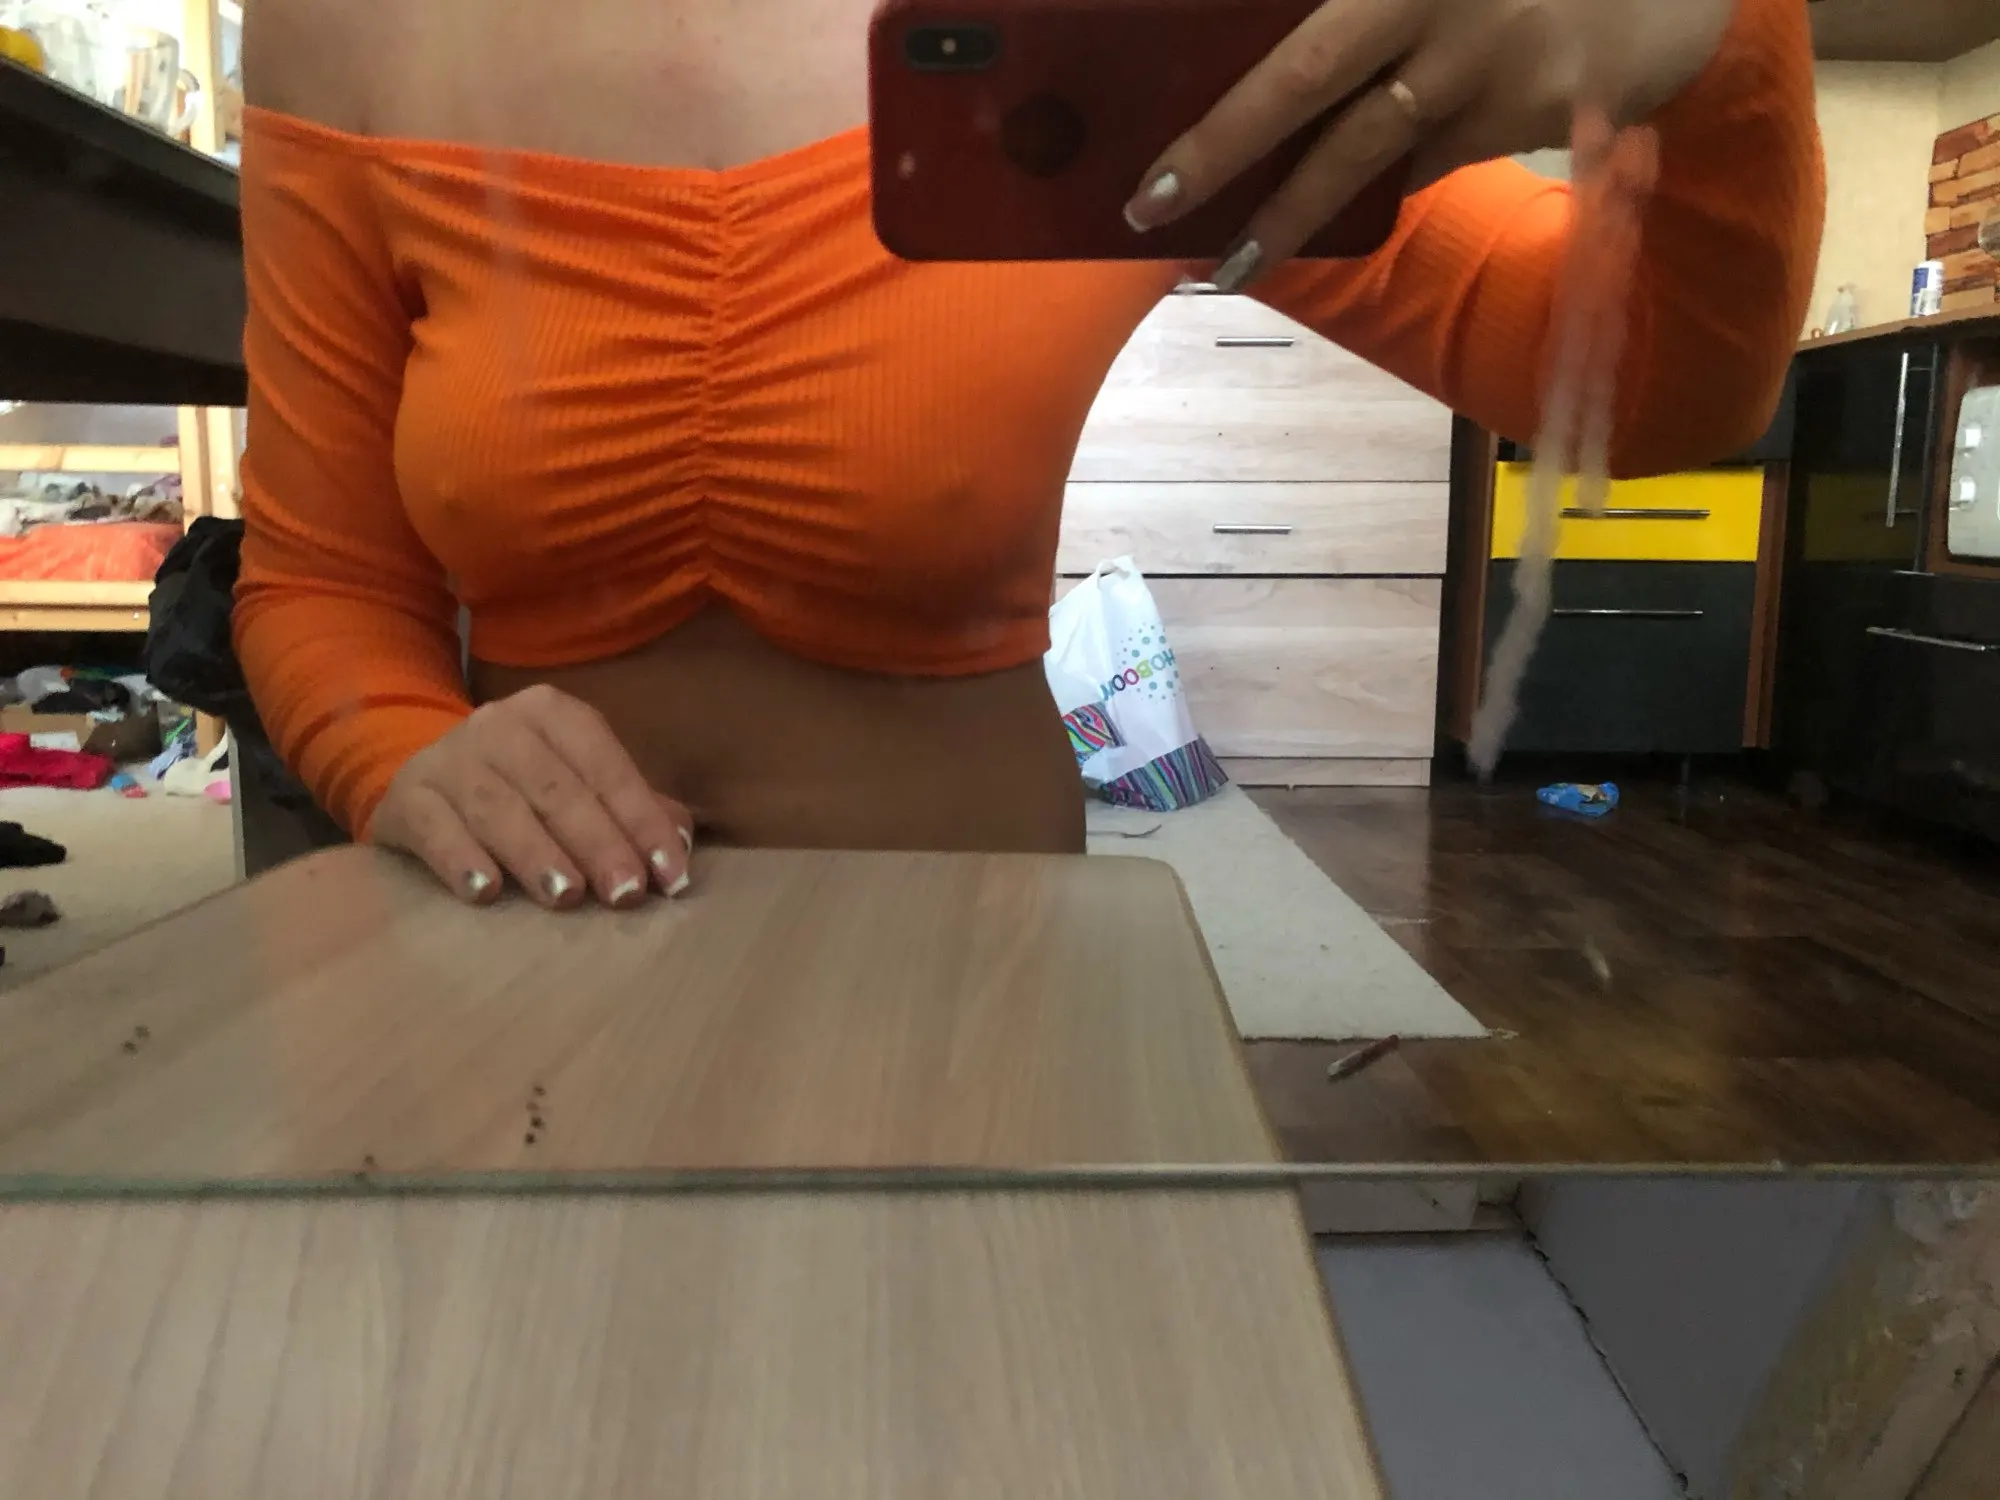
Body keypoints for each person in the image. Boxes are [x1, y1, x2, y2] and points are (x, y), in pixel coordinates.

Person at [235, 0, 1823, 910]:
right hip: (520, 970)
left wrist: (1723, 42)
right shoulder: (349, 27)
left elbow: (1652, 396)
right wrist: (403, 751)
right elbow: (321, 582)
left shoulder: (1119, 21)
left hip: (971, 978)